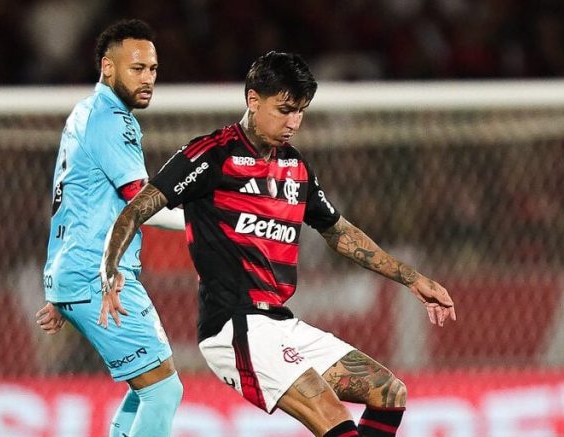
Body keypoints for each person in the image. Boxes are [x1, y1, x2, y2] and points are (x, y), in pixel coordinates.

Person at [100, 51, 458, 437]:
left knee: (389, 392)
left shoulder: (295, 166)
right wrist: (110, 269)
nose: (294, 123)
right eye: (285, 110)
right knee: (332, 415)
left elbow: (339, 232)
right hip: (235, 324)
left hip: (281, 322)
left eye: (300, 111)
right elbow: (136, 210)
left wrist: (412, 278)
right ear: (253, 100)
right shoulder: (212, 155)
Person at [34, 19, 186, 437]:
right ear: (108, 67)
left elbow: (75, 201)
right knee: (163, 392)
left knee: (148, 388)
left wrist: (62, 289)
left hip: (80, 273)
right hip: (97, 276)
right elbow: (141, 202)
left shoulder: (85, 112)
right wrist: (207, 223)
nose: (148, 78)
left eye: (152, 69)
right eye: (137, 68)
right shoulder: (112, 119)